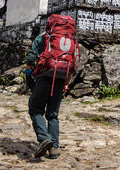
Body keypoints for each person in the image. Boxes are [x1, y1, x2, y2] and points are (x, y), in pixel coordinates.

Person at [25, 14, 79, 159]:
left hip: (44, 77)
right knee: (53, 115)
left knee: (35, 109)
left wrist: (29, 71)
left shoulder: (44, 37)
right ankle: (54, 148)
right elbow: (73, 62)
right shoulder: (71, 39)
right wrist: (66, 83)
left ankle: (44, 138)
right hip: (61, 79)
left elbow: (31, 57)